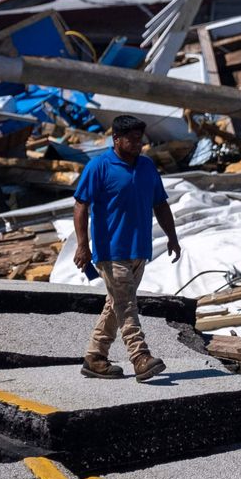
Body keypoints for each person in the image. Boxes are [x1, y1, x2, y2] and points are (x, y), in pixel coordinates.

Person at [71, 115, 181, 382]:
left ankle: (95, 358)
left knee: (115, 305)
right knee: (127, 306)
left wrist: (172, 237)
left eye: (139, 139)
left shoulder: (146, 167)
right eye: (131, 139)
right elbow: (80, 205)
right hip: (111, 251)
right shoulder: (99, 167)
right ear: (116, 139)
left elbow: (161, 204)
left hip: (139, 250)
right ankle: (140, 357)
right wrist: (83, 246)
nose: (137, 144)